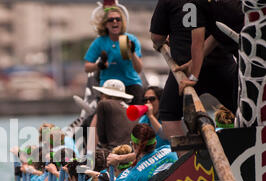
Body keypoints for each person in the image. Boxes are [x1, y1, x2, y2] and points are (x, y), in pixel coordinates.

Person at [150, 0, 239, 145]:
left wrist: (193, 74)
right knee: (244, 110)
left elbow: (157, 38)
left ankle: (185, 156)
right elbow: (216, 34)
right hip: (220, 65)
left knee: (168, 114)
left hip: (185, 72)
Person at [176, 0, 243, 99]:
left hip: (251, 58)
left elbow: (197, 42)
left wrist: (193, 78)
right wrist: (192, 63)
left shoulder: (193, 4)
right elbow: (218, 34)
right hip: (246, 57)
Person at [84, 5, 144, 105]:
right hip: (108, 86)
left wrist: (132, 53)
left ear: (122, 22)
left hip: (130, 83)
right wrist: (99, 65)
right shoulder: (100, 42)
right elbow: (87, 67)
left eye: (118, 19)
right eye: (111, 20)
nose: (115, 22)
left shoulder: (129, 40)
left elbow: (139, 69)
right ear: (106, 24)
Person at [88, 79, 138, 150]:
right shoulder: (132, 109)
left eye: (102, 94)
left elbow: (102, 138)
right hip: (133, 151)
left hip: (115, 151)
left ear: (105, 95)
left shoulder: (104, 104)